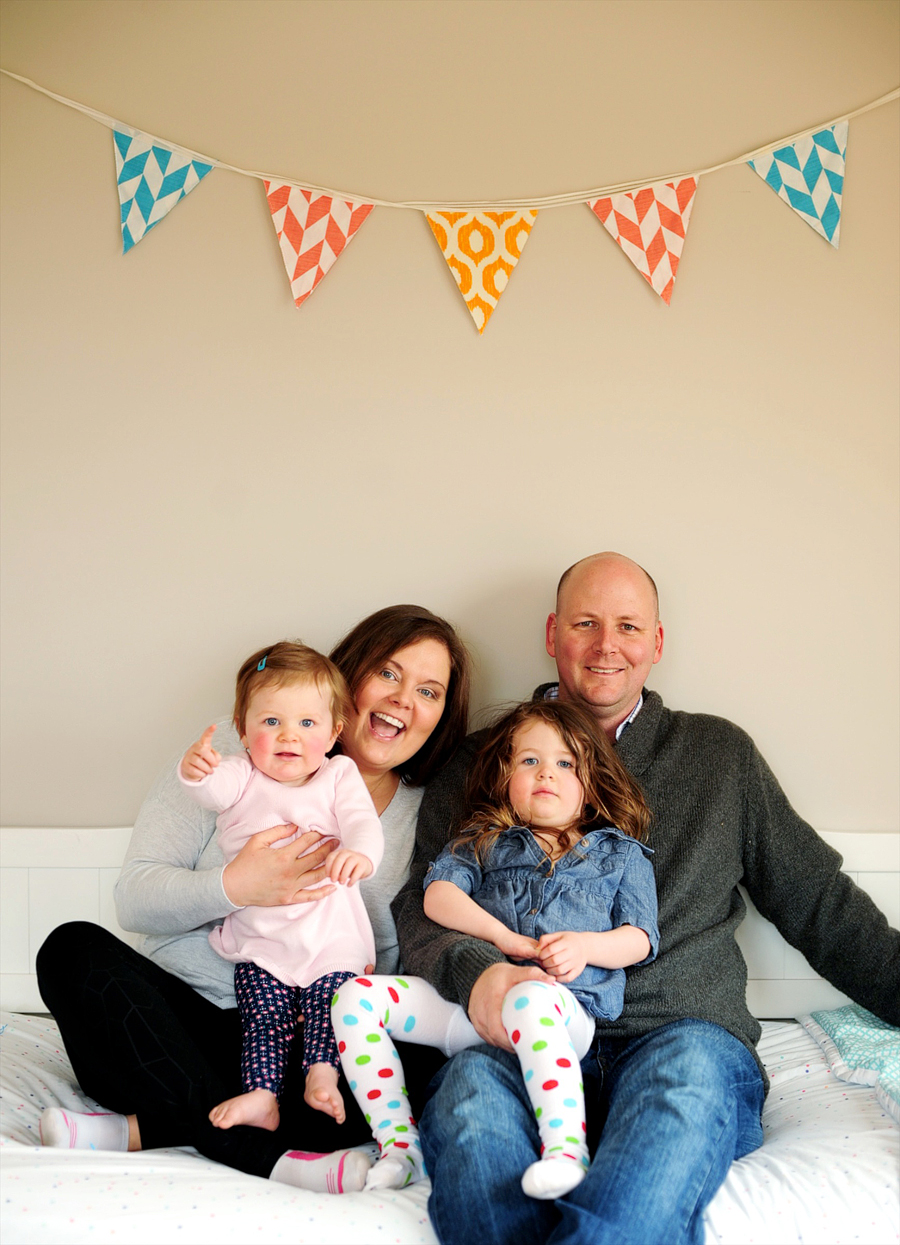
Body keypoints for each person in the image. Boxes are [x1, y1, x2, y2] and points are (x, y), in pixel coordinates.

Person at [392, 552, 900, 1245]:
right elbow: (425, 902)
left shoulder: (718, 756)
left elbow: (821, 904)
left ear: (656, 644)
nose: (608, 645)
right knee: (470, 1115)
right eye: (586, 622)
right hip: (518, 1034)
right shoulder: (482, 759)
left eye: (629, 625)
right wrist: (480, 973)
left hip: (682, 1036)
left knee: (671, 1115)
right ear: (552, 634)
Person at [36, 604, 471, 1194]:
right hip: (175, 1024)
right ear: (348, 681)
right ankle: (266, 1154)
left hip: (306, 1036)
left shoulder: (428, 812)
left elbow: (402, 948)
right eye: (388, 674)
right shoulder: (239, 751)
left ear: (442, 714)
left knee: (420, 1067)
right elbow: (134, 898)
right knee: (69, 950)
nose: (403, 701)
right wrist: (236, 886)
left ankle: (149, 1127)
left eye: (429, 690)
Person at [331, 699, 658, 1198]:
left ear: (591, 785)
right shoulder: (483, 839)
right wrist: (503, 940)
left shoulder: (620, 854)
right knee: (354, 998)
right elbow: (438, 898)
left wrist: (584, 947)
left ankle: (567, 1153)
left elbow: (639, 938)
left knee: (530, 999)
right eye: (529, 761)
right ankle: (400, 1146)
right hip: (474, 1014)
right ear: (504, 776)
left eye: (565, 763)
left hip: (562, 1012)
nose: (546, 773)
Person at [178, 641, 384, 1133]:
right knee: (262, 1021)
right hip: (262, 942)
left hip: (331, 940)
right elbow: (211, 791)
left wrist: (360, 854)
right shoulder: (240, 774)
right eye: (271, 722)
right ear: (243, 729)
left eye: (307, 724)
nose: (288, 736)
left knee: (333, 1011)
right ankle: (262, 1095)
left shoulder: (338, 775)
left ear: (335, 731)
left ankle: (322, 1076)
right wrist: (196, 771)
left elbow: (361, 822)